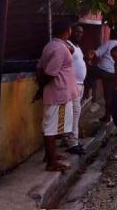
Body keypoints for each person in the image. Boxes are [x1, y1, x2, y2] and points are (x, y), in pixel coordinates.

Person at [36, 18, 78, 172]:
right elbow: (50, 72)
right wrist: (41, 88)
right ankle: (51, 162)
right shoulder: (59, 49)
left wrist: (41, 88)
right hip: (59, 93)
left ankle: (50, 156)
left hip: (55, 92)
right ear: (67, 30)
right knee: (52, 128)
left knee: (50, 125)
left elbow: (40, 67)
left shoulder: (52, 46)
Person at [95, 28, 117, 123]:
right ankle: (110, 115)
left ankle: (108, 116)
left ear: (111, 34)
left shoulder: (108, 43)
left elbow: (97, 53)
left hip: (105, 72)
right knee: (112, 95)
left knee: (108, 95)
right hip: (116, 73)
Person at [64, 24, 87, 155]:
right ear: (71, 32)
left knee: (73, 112)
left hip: (79, 84)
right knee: (75, 112)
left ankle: (68, 138)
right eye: (77, 32)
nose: (79, 34)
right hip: (72, 84)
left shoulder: (77, 47)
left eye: (81, 32)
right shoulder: (67, 45)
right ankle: (73, 142)